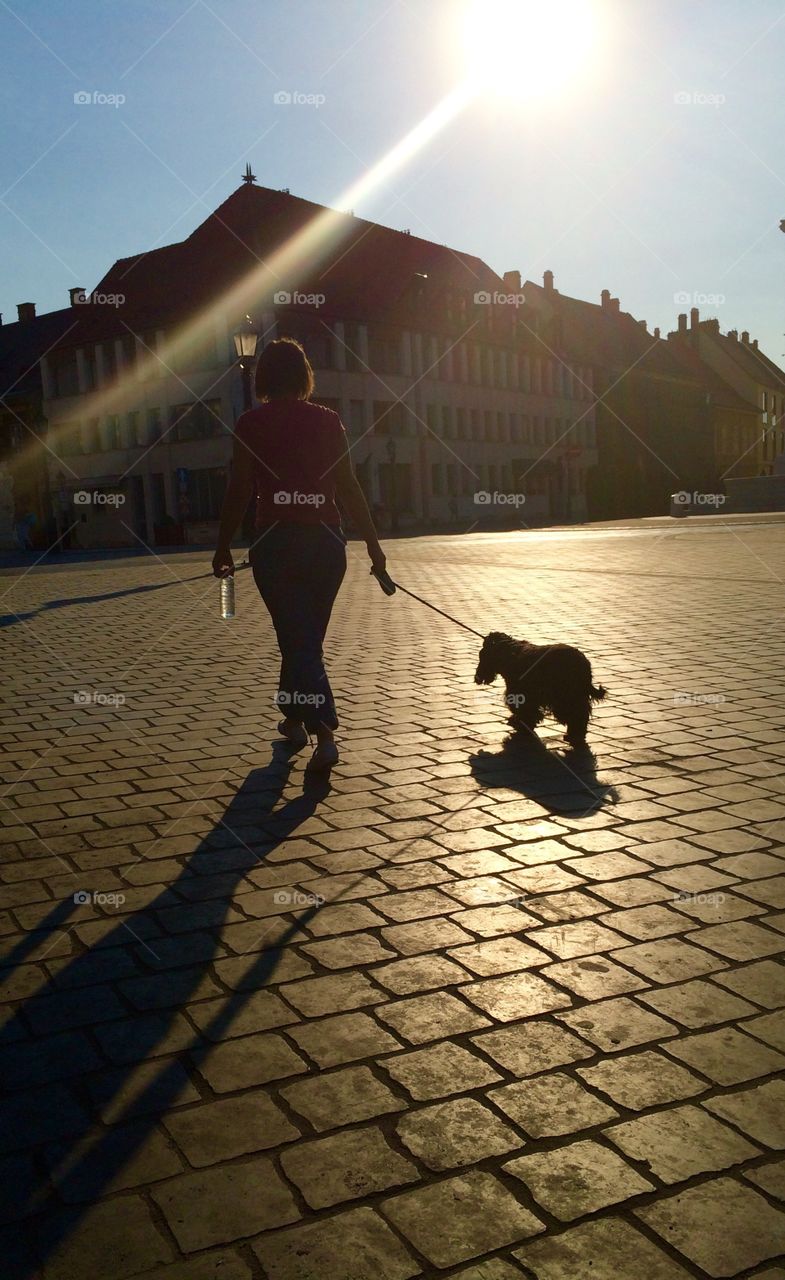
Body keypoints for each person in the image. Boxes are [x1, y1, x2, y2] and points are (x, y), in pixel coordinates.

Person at [212, 338, 387, 772]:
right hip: (327, 542)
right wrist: (373, 545)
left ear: (263, 377)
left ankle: (324, 733)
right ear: (305, 374)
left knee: (298, 639)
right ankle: (293, 719)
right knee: (304, 639)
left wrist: (222, 545)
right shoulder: (328, 421)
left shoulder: (251, 424)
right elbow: (348, 485)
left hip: (276, 543)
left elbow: (240, 491)